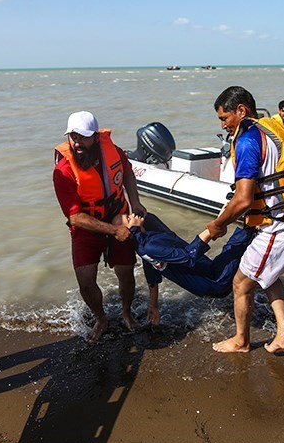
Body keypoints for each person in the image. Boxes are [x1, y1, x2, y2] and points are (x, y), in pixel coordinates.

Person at [205, 86, 284, 354]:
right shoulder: (272, 127)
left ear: (241, 111)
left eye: (225, 118)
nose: (224, 125)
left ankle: (241, 341)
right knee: (268, 275)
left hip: (283, 228)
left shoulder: (246, 140)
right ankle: (283, 335)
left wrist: (218, 224)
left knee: (241, 283)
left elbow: (244, 200)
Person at [53, 111, 147, 344]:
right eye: (73, 137)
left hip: (118, 216)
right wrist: (114, 231)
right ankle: (101, 318)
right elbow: (75, 218)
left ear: (95, 137)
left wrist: (135, 202)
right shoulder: (63, 170)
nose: (77, 143)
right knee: (85, 280)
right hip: (87, 227)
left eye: (83, 137)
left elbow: (127, 174)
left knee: (126, 272)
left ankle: (126, 312)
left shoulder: (113, 152)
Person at [115, 212, 255, 325]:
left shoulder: (147, 241)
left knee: (244, 240)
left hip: (210, 270)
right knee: (247, 236)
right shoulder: (149, 247)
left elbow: (152, 274)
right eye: (128, 218)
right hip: (215, 282)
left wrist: (153, 306)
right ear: (128, 231)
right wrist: (214, 227)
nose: (132, 215)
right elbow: (189, 256)